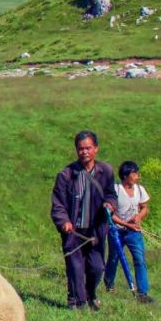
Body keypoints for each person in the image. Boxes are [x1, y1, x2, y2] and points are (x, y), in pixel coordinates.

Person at [51, 131, 117, 310]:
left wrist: (110, 205)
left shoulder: (106, 171)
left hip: (96, 230)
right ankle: (77, 302)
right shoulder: (66, 174)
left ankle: (90, 295)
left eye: (88, 148)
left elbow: (111, 195)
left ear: (96, 148)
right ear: (76, 150)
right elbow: (58, 205)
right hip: (73, 231)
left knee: (97, 268)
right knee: (76, 269)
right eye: (80, 149)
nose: (84, 152)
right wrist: (63, 221)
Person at [106, 161, 153, 303]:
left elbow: (145, 207)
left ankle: (142, 293)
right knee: (114, 258)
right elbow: (110, 214)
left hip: (134, 232)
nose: (137, 176)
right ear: (126, 175)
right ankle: (109, 284)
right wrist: (126, 224)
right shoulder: (115, 189)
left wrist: (138, 216)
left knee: (139, 259)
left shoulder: (139, 190)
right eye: (134, 173)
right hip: (117, 232)